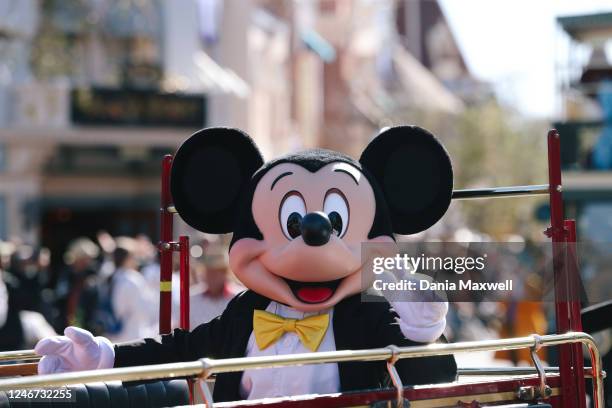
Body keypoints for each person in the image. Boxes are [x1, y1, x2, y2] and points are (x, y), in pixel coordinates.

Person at [36, 126, 455, 402]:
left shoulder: (367, 314)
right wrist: (105, 359)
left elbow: (434, 372)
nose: (312, 235)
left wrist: (423, 332)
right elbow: (183, 350)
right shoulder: (248, 311)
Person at [104, 240, 157, 342]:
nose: (137, 260)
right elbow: (144, 309)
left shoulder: (112, 276)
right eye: (134, 256)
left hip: (114, 333)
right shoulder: (132, 278)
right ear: (127, 259)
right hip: (132, 334)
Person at [189, 241, 243, 327]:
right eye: (209, 272)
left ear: (225, 273)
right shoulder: (192, 298)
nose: (212, 277)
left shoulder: (239, 297)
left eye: (216, 272)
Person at [53, 238, 100, 333]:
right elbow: (61, 294)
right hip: (66, 320)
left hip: (86, 324)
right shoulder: (67, 274)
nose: (87, 262)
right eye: (84, 258)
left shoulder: (93, 276)